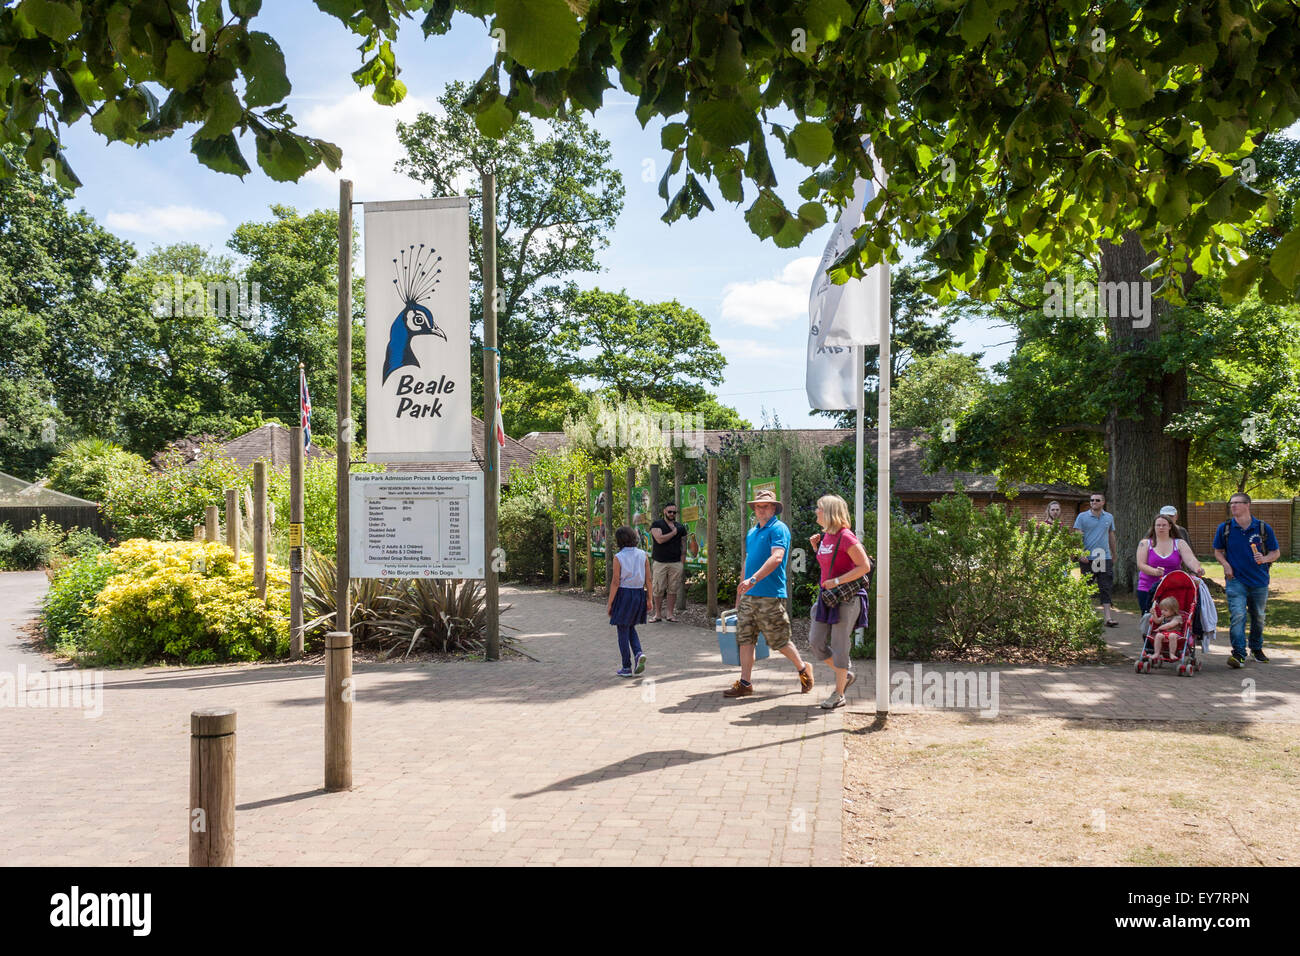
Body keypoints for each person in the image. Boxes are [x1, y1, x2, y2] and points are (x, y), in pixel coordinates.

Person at [723, 489, 814, 698]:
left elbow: (777, 558)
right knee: (745, 639)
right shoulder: (752, 532)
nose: (761, 509)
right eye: (758, 506)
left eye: (766, 506)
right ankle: (745, 683)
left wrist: (753, 579)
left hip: (770, 594)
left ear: (774, 508)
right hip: (748, 595)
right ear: (754, 509)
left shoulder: (779, 529)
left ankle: (803, 668)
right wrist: (741, 591)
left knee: (779, 639)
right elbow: (747, 561)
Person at [808, 494, 871, 710]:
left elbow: (864, 567)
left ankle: (839, 693)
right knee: (816, 643)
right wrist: (817, 549)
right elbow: (829, 563)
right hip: (827, 598)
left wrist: (836, 581)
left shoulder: (847, 537)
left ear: (829, 512)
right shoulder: (826, 536)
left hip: (846, 598)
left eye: (819, 508)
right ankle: (845, 674)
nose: (816, 511)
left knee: (839, 645)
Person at [1212, 492, 1281, 668]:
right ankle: (1238, 654)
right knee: (1238, 615)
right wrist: (1226, 565)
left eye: (1237, 503)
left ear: (1247, 505)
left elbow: (1275, 552)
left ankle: (1256, 648)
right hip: (1235, 580)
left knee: (1258, 617)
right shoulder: (1225, 528)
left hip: (1259, 581)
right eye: (1231, 503)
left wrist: (1264, 559)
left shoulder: (1263, 528)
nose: (1233, 506)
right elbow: (1218, 551)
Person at [1135, 513, 1204, 615]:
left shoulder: (1179, 543)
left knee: (1172, 619)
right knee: (1150, 619)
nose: (1161, 527)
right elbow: (1141, 564)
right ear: (1153, 527)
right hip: (1147, 588)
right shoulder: (1144, 543)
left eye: (1164, 525)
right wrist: (1155, 571)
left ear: (1170, 526)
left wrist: (1197, 568)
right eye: (1158, 525)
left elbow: (1190, 560)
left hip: (1173, 589)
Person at [606, 525, 650, 678]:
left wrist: (610, 602)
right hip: (639, 593)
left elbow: (615, 582)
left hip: (624, 594)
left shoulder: (618, 557)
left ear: (619, 540)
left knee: (622, 631)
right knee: (630, 627)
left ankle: (626, 666)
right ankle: (638, 653)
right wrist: (649, 598)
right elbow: (648, 579)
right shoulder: (643, 555)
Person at [1073, 491, 1120, 627]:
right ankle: (1082, 616)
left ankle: (1108, 618)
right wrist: (1080, 553)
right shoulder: (1082, 517)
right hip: (1088, 557)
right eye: (1092, 500)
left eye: (1097, 500)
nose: (1094, 502)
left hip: (1103, 556)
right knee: (1086, 587)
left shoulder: (1109, 517)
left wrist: (1114, 553)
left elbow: (1111, 535)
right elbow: (1077, 537)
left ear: (1103, 502)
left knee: (1105, 586)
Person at [648, 503, 687, 623]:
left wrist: (682, 563)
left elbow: (684, 545)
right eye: (670, 511)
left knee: (673, 589)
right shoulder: (657, 524)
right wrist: (673, 533)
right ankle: (658, 614)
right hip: (660, 562)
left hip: (676, 563)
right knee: (658, 589)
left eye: (674, 512)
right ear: (664, 511)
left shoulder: (680, 527)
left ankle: (670, 614)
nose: (672, 514)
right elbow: (659, 539)